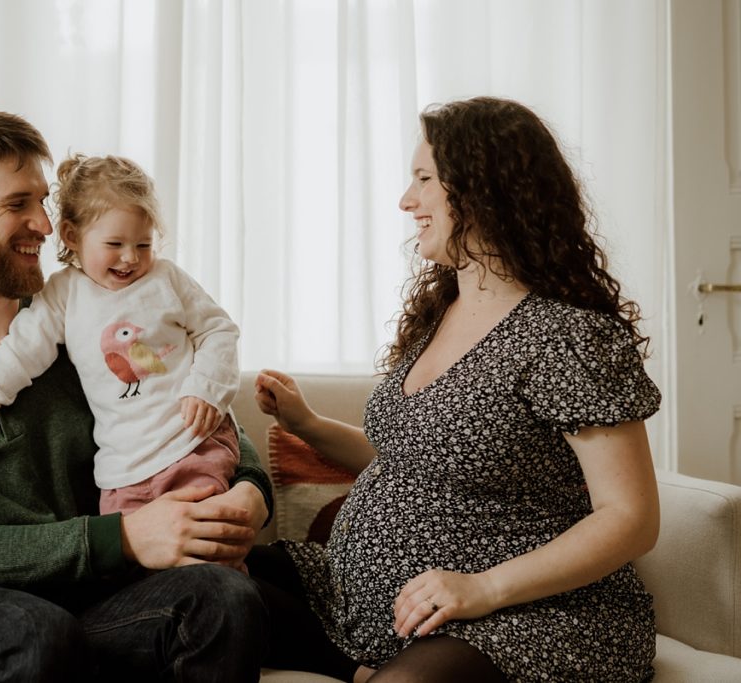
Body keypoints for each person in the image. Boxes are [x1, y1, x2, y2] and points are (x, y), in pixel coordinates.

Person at [0, 110, 273, 682]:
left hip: (91, 600)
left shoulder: (87, 323)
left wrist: (251, 490)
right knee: (35, 633)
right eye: (17, 204)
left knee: (225, 598)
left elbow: (194, 412)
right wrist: (122, 536)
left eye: (43, 204)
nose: (46, 227)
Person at [249, 96, 662, 682]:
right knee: (203, 582)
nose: (405, 200)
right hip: (372, 607)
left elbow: (631, 517)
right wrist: (308, 426)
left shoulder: (568, 335)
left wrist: (483, 587)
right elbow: (418, 463)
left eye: (423, 180)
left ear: (484, 190)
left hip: (522, 614)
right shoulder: (439, 313)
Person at [0, 153, 242, 521]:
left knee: (205, 548)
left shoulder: (166, 279)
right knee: (128, 567)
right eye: (115, 245)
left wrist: (206, 387)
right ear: (71, 235)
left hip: (191, 443)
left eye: (143, 245)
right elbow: (23, 349)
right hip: (122, 471)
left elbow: (219, 330)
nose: (130, 258)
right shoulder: (64, 294)